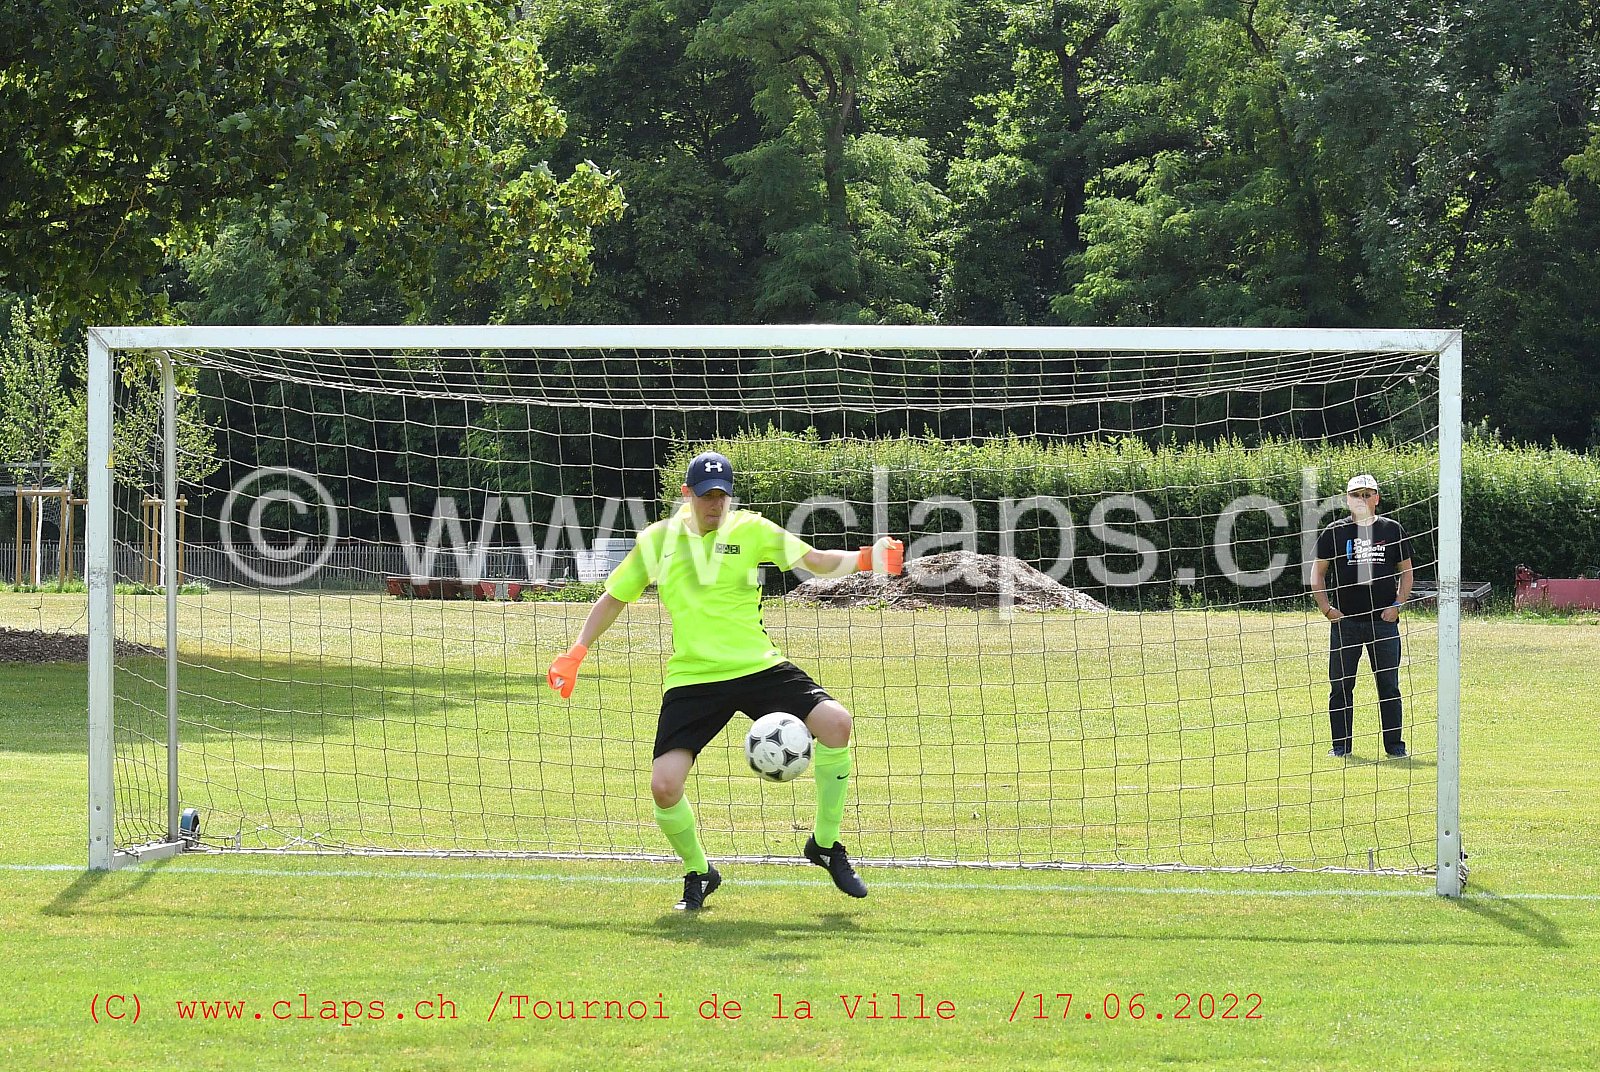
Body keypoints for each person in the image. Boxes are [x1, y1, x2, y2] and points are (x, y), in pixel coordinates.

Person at [546, 451, 905, 910]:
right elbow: (615, 597)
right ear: (687, 495)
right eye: (705, 496)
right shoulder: (658, 540)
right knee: (664, 785)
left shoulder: (752, 529)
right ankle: (699, 871)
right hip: (694, 678)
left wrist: (864, 558)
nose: (714, 504)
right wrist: (577, 651)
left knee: (836, 722)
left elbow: (813, 560)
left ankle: (825, 844)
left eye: (721, 496)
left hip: (757, 666)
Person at [1310, 474, 1414, 759]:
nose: (1363, 499)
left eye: (1368, 494)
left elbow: (1407, 573)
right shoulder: (1334, 531)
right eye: (1357, 494)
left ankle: (1395, 748)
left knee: (1389, 687)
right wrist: (1327, 610)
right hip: (1346, 624)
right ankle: (1341, 747)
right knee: (1341, 687)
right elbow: (1317, 573)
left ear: (1377, 498)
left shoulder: (1392, 530)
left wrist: (1397, 605)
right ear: (1347, 499)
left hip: (1383, 624)